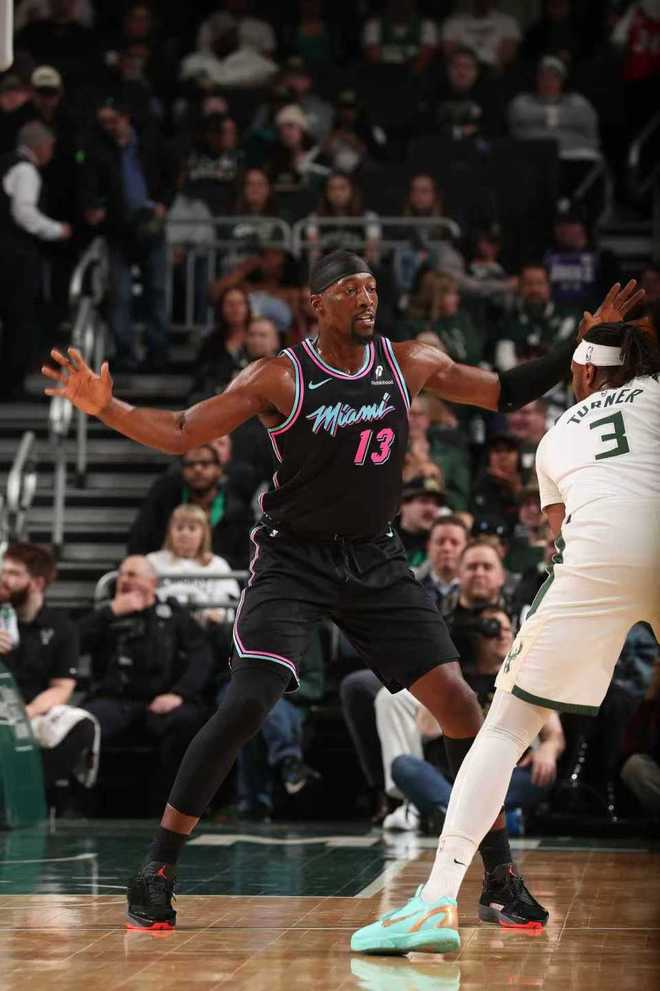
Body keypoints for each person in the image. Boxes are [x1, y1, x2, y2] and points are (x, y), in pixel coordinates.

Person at [43, 250, 641, 932]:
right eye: (351, 289)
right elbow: (183, 432)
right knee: (247, 702)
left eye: (372, 288)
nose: (366, 298)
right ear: (317, 303)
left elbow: (504, 390)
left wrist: (580, 342)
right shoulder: (278, 375)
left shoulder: (409, 360)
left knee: (458, 702)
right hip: (293, 560)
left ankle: (499, 877)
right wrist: (107, 406)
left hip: (375, 557)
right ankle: (157, 868)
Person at [351, 314, 658, 954]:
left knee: (504, 730)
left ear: (583, 372)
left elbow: (560, 532)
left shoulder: (560, 431)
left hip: (596, 559)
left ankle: (437, 900)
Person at [391, 607, 564, 833]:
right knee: (403, 766)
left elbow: (554, 736)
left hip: (501, 778)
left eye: (508, 629)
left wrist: (547, 751)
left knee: (541, 775)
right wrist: (451, 669)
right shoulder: (455, 678)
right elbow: (427, 728)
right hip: (452, 775)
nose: (503, 635)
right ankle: (490, 819)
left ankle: (450, 815)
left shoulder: (523, 680)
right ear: (475, 637)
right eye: (493, 629)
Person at [79, 555, 214, 810]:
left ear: (152, 582)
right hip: (114, 700)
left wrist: (179, 693)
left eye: (132, 575)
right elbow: (72, 644)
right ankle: (84, 805)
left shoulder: (174, 615)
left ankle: (174, 806)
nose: (124, 580)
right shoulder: (105, 614)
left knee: (188, 722)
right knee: (83, 723)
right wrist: (110, 613)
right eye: (121, 575)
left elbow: (202, 657)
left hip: (164, 699)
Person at [79, 99, 176, 371]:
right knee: (120, 294)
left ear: (126, 118)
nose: (108, 127)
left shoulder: (149, 142)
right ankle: (125, 353)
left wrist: (164, 203)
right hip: (117, 228)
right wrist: (92, 207)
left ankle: (158, 351)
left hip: (150, 224)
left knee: (156, 290)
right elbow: (87, 184)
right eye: (104, 122)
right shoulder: (97, 148)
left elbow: (171, 174)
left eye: (113, 121)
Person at [0, 543, 95, 801]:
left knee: (82, 725)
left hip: (32, 711)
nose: (4, 580)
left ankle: (28, 790)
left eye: (14, 574)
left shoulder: (62, 627)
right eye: (3, 571)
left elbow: (62, 688)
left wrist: (26, 713)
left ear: (37, 583)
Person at [0, 121, 72, 400]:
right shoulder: (25, 170)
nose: (51, 151)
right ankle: (11, 384)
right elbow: (24, 213)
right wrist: (57, 230)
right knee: (20, 319)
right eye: (50, 145)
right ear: (38, 146)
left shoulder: (5, 164)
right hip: (15, 257)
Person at [127, 442, 253, 569]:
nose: (197, 469)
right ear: (182, 470)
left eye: (205, 463)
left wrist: (210, 564)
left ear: (219, 469)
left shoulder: (238, 510)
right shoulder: (164, 502)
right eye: (190, 464)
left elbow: (247, 558)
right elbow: (139, 543)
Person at [146, 503, 240, 622]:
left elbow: (226, 609)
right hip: (163, 624)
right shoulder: (152, 561)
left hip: (204, 627)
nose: (184, 533)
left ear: (203, 534)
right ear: (170, 532)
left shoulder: (218, 565)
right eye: (179, 528)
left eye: (192, 528)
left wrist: (216, 616)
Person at [441, 1, 521, 70]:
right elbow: (450, 53)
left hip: (493, 69)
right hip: (463, 69)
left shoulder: (508, 22)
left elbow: (507, 55)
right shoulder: (454, 22)